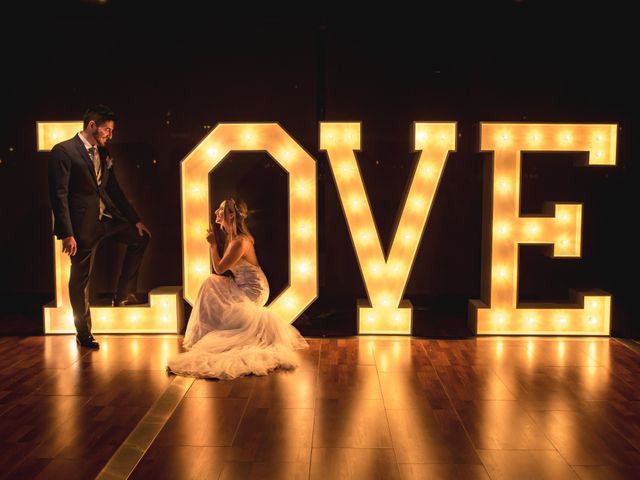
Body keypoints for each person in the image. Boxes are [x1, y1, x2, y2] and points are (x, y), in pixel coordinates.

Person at [168, 198, 308, 379]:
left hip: (254, 289)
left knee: (211, 281)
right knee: (211, 285)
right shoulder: (230, 238)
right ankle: (208, 332)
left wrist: (212, 245)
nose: (216, 212)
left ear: (231, 215)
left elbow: (219, 269)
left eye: (221, 209)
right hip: (241, 284)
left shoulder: (240, 242)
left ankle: (206, 334)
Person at [48, 104, 151, 348]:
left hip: (106, 220)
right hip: (82, 228)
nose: (110, 135)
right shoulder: (64, 151)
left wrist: (134, 219)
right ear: (92, 126)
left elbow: (113, 189)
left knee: (140, 238)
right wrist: (66, 233)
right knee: (80, 279)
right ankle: (83, 333)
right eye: (107, 130)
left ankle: (124, 295)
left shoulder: (103, 153)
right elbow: (58, 194)